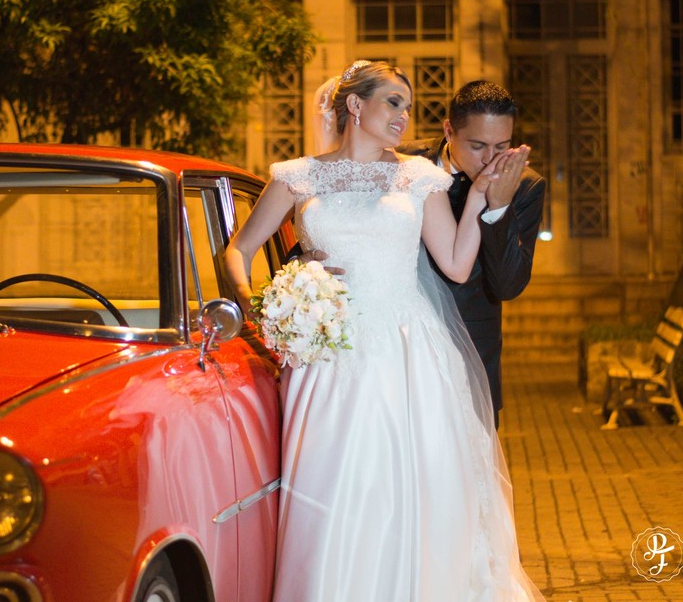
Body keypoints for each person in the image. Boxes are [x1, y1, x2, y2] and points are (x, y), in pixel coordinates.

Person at [223, 60, 544, 601]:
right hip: (328, 359)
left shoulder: (420, 178)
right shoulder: (296, 177)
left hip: (408, 351)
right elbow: (237, 251)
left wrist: (487, 202)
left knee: (416, 491)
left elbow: (459, 267)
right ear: (354, 105)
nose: (404, 115)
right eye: (393, 102)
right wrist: (270, 303)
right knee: (335, 490)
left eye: (409, 106)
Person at [398, 80, 546, 426]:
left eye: (502, 146)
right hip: (397, 350)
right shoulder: (401, 162)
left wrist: (498, 208)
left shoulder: (525, 185)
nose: (490, 159)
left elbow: (508, 285)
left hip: (469, 358)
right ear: (449, 130)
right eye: (477, 145)